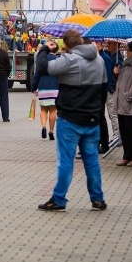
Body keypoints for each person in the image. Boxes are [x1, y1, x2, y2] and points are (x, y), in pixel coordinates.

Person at [36, 30, 107, 212]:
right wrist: (97, 113)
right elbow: (104, 89)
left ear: (66, 45)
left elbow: (44, 68)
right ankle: (97, 199)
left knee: (65, 161)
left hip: (70, 119)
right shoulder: (99, 60)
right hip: (92, 119)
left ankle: (59, 199)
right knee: (91, 161)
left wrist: (44, 49)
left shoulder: (69, 60)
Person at [33, 39, 60, 140]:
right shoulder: (58, 60)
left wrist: (34, 86)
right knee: (53, 110)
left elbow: (37, 74)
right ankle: (51, 131)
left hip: (43, 87)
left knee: (43, 110)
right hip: (54, 87)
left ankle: (43, 127)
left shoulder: (42, 61)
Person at [96, 41, 116, 153]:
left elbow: (107, 75)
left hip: (104, 91)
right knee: (100, 117)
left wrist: (109, 88)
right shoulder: (100, 57)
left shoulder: (104, 58)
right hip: (100, 91)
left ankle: (104, 143)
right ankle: (102, 142)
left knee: (101, 117)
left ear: (99, 44)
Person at [105, 40, 123, 145]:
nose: (108, 45)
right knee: (112, 113)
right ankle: (117, 135)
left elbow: (118, 75)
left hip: (113, 88)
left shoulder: (118, 58)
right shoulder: (112, 56)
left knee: (113, 112)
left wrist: (116, 73)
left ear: (116, 45)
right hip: (111, 87)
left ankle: (117, 136)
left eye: (110, 43)